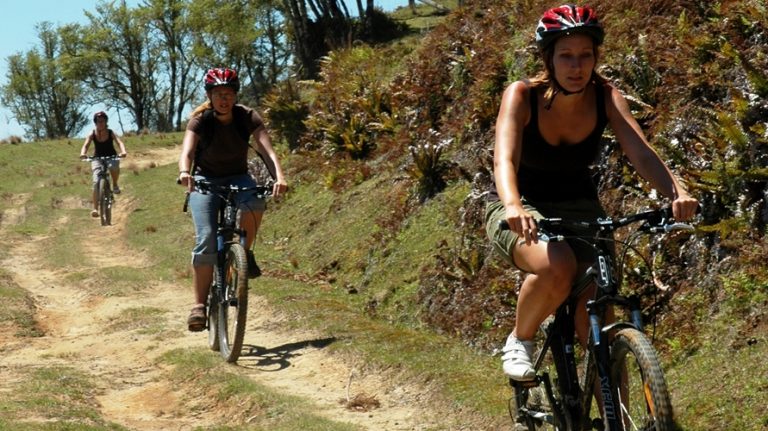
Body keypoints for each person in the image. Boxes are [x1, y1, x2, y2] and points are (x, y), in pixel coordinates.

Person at [485, 4, 698, 381]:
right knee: (558, 265)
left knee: (598, 329)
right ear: (548, 58)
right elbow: (504, 159)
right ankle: (521, 339)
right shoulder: (522, 95)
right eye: (565, 55)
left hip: (583, 212)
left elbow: (641, 153)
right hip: (521, 206)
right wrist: (514, 206)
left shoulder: (605, 96)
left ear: (596, 56)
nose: (576, 65)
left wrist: (675, 192)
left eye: (585, 55)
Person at [178, 67, 288, 332]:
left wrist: (280, 177)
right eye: (218, 94)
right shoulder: (200, 120)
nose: (223, 99)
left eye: (228, 93)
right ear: (210, 96)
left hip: (239, 177)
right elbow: (187, 152)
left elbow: (267, 152)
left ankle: (244, 253)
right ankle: (199, 306)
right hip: (205, 181)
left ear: (235, 95)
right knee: (206, 238)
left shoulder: (247, 117)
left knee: (256, 202)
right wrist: (184, 172)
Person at [80, 111, 128, 218]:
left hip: (111, 156)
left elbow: (119, 142)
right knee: (95, 183)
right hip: (97, 158)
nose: (100, 123)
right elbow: (86, 145)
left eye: (102, 121)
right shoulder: (92, 133)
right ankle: (95, 209)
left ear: (106, 122)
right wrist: (83, 153)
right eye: (98, 121)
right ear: (95, 123)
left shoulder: (111, 132)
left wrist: (123, 151)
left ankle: (115, 184)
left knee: (113, 167)